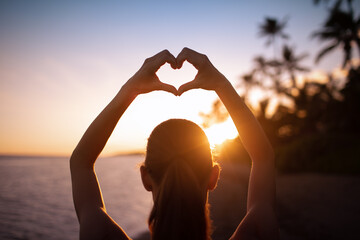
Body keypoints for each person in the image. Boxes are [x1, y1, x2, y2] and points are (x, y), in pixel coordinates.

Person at [70, 48, 279, 240]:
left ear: (145, 178)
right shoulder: (258, 230)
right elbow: (263, 158)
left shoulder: (99, 233)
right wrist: (221, 85)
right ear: (214, 177)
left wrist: (131, 89)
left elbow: (81, 162)